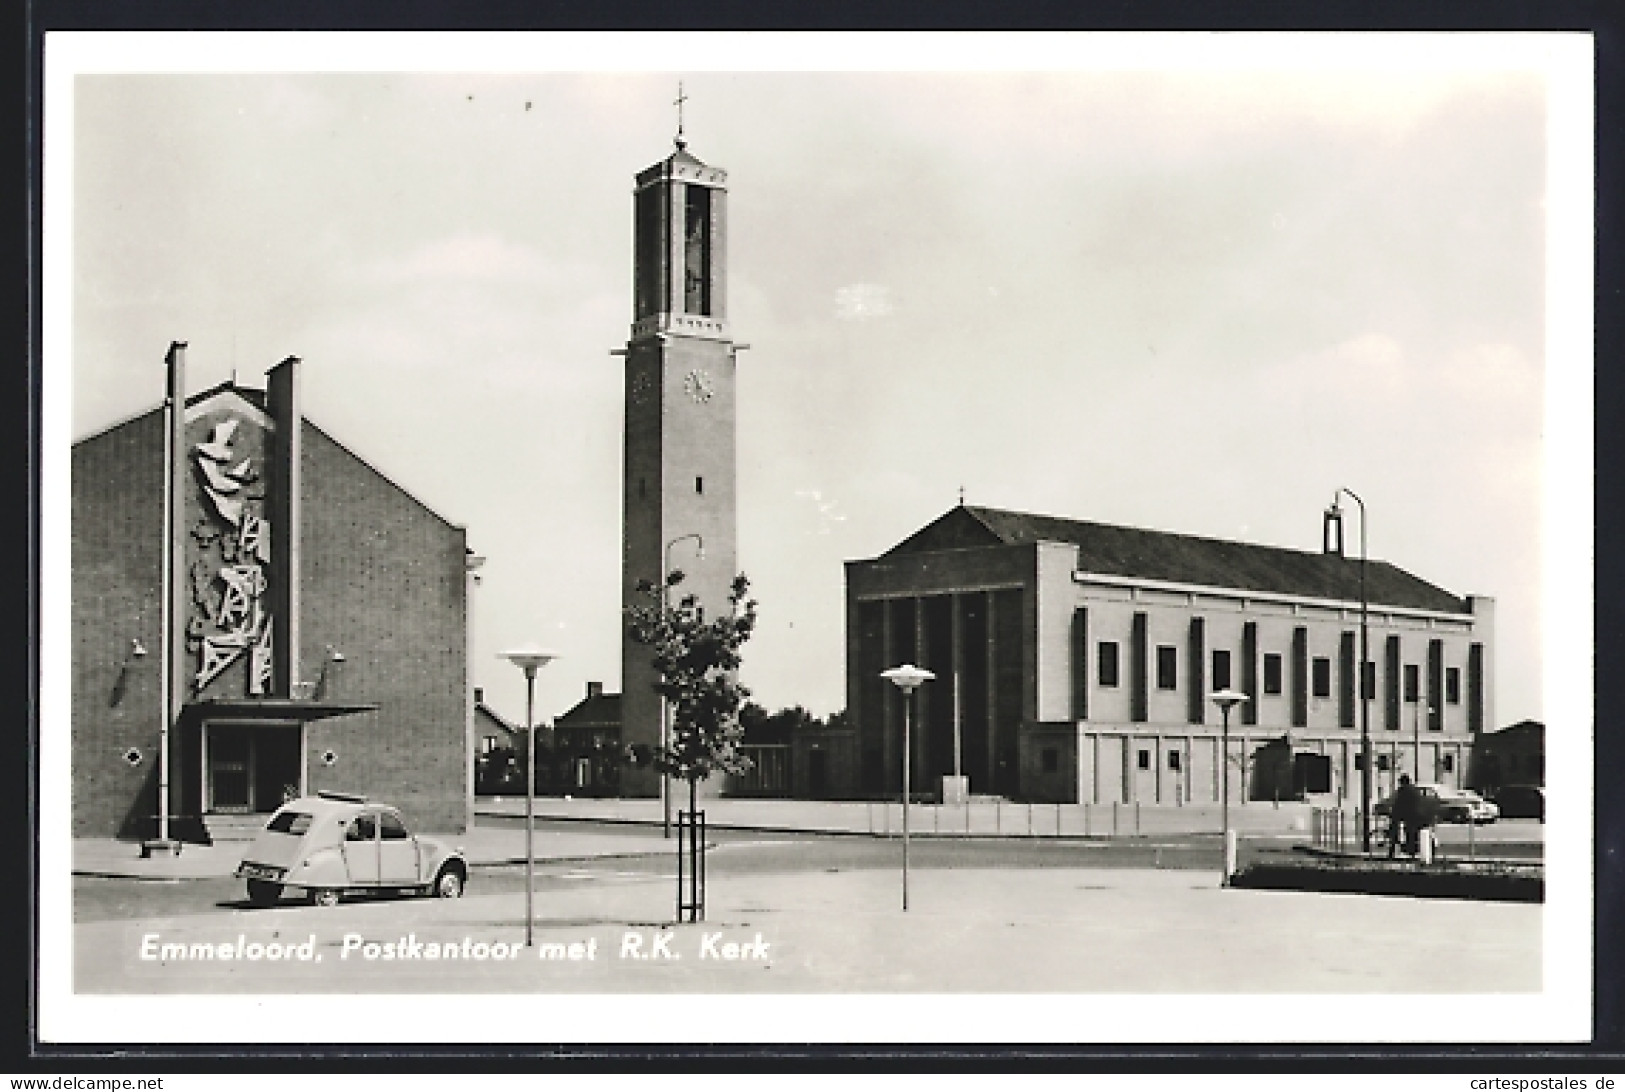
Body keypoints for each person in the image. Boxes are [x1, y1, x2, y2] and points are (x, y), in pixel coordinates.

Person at [1387, 774, 1420, 858]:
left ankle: (1392, 850)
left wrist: (1393, 813)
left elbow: (1398, 803)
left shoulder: (1403, 790)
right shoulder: (1414, 790)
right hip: (1414, 814)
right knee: (1411, 833)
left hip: (1404, 814)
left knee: (1395, 830)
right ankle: (1411, 851)